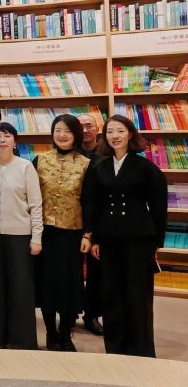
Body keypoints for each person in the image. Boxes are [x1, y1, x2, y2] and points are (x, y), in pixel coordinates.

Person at [84, 115, 167, 358]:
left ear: (130, 134)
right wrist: (94, 238)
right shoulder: (99, 166)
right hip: (108, 239)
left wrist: (156, 243)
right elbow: (92, 203)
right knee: (112, 293)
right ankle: (116, 348)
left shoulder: (146, 168)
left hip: (139, 239)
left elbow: (159, 207)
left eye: (120, 131)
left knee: (138, 296)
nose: (115, 136)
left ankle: (142, 350)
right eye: (110, 131)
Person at [32, 114, 91, 352]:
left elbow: (90, 202)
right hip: (44, 233)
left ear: (76, 134)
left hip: (72, 234)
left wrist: (88, 234)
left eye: (68, 131)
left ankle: (66, 333)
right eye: (58, 130)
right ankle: (51, 332)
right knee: (46, 284)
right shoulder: (40, 160)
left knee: (69, 285)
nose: (62, 135)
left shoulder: (87, 164)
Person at [0, 122, 43, 350]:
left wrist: (36, 237)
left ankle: (22, 341)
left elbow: (36, 205)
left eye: (7, 136)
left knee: (20, 290)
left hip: (20, 236)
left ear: (15, 141)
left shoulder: (25, 167)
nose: (2, 140)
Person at [77, 113, 103, 336]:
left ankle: (92, 314)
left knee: (97, 271)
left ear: (98, 129)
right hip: (72, 219)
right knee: (72, 270)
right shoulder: (68, 152)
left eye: (89, 125)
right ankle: (69, 313)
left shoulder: (106, 154)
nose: (85, 130)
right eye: (80, 126)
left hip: (99, 219)